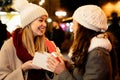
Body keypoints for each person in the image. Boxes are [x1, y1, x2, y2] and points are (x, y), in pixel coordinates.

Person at [47, 5, 119, 80]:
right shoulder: (90, 49)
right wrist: (68, 66)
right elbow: (82, 74)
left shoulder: (97, 54)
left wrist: (62, 71)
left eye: (74, 23)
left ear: (83, 27)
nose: (72, 27)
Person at [0, 0, 59, 80]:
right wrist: (23, 69)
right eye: (41, 20)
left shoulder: (47, 44)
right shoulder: (9, 46)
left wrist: (52, 68)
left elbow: (54, 75)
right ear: (29, 22)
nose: (45, 24)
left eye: (45, 21)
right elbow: (3, 77)